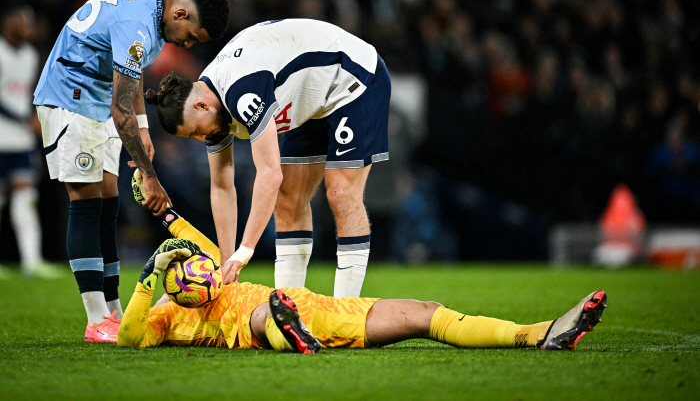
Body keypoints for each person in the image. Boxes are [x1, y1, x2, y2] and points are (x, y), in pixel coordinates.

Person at [33, 0, 231, 341]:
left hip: (96, 97)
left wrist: (143, 129)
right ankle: (96, 319)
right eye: (190, 36)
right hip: (70, 96)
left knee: (110, 200)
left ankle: (114, 311)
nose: (187, 45)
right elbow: (120, 103)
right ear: (181, 13)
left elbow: (130, 74)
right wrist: (150, 175)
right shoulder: (138, 27)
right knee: (86, 200)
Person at [116, 208, 607, 352]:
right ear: (171, 284)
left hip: (308, 304)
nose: (199, 267)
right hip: (263, 320)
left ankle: (538, 334)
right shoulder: (163, 314)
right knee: (266, 314)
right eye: (182, 268)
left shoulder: (211, 275)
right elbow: (128, 338)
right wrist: (147, 280)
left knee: (424, 312)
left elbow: (201, 247)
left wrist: (169, 220)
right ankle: (289, 336)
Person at [144, 19, 392, 298]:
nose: (202, 139)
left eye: (196, 132)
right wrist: (228, 263)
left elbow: (269, 173)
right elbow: (222, 186)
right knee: (287, 199)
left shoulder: (241, 92)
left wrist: (245, 250)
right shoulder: (211, 109)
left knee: (340, 192)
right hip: (307, 97)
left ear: (201, 106)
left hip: (352, 77)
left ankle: (348, 307)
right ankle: (288, 309)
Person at [0, 5, 61, 279]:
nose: (29, 27)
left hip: (21, 141)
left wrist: (37, 116)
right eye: (23, 21)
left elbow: (29, 95)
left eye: (30, 22)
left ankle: (32, 261)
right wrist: (26, 118)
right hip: (1, 138)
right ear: (7, 22)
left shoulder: (29, 54)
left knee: (25, 200)